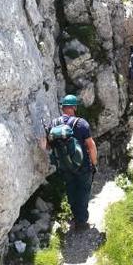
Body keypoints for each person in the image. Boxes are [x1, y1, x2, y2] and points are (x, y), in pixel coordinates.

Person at [41, 94, 98, 230]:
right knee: (83, 192)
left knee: (71, 190)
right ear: (74, 107)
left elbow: (47, 146)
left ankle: (75, 216)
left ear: (62, 107)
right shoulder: (81, 123)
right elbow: (91, 145)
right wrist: (94, 163)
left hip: (65, 167)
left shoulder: (54, 124)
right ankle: (81, 221)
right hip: (83, 166)